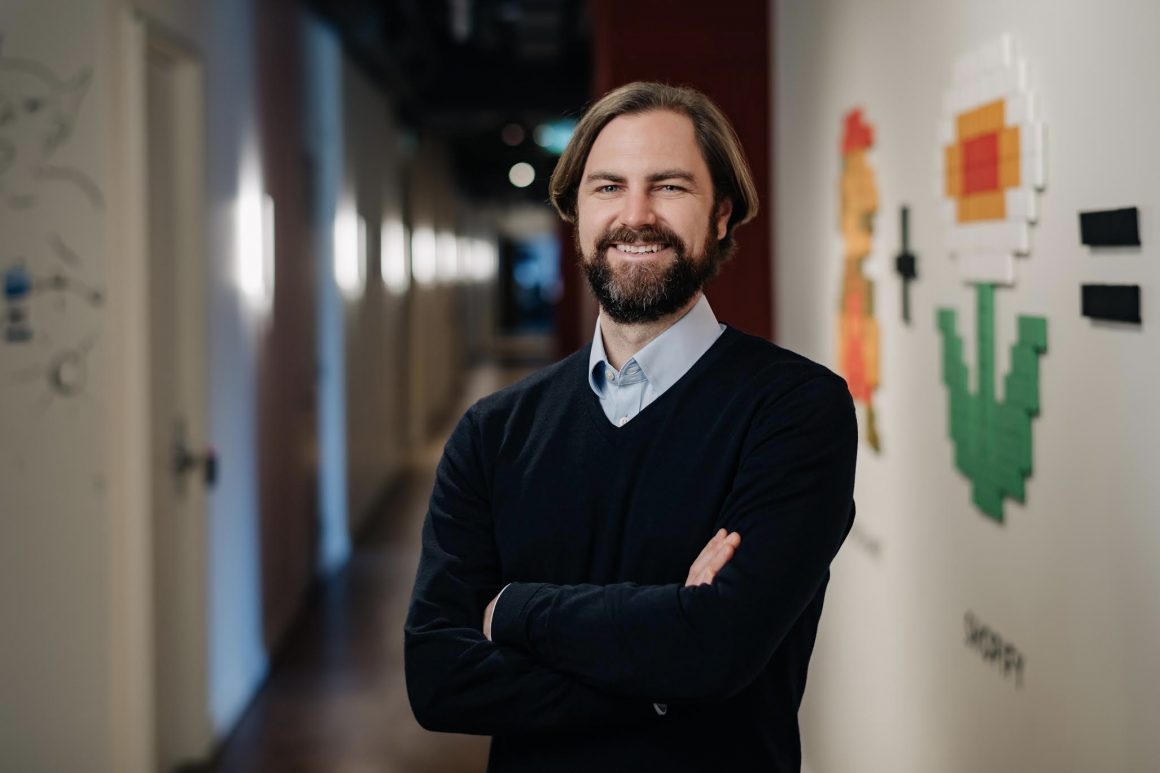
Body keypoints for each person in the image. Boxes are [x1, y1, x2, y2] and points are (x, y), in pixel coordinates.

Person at [404, 81, 857, 772]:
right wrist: (669, 672)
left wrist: (516, 610)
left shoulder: (798, 411)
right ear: (575, 212)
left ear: (722, 214)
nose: (635, 215)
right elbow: (439, 678)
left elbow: (720, 648)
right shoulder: (492, 433)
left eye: (669, 186)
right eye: (608, 186)